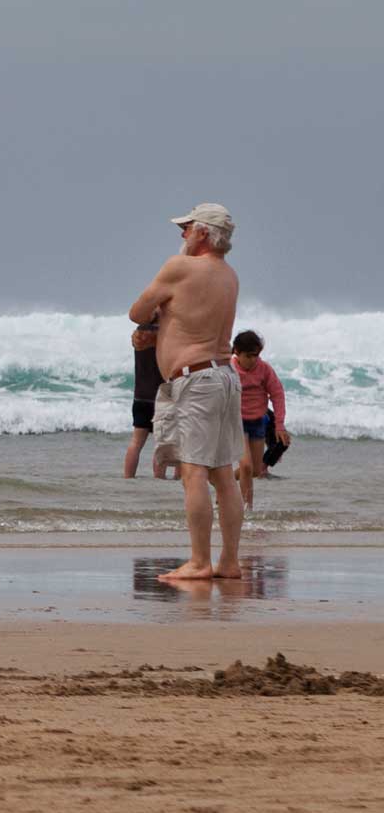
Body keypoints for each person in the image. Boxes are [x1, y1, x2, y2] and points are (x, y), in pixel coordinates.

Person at [128, 202, 244, 582]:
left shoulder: (180, 267)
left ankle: (199, 561)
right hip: (224, 377)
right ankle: (228, 561)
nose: (182, 234)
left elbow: (137, 310)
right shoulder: (229, 275)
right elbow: (189, 314)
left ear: (204, 234)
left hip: (196, 381)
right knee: (223, 474)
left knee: (193, 472)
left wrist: (155, 320)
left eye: (188, 227)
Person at [230, 329, 288, 510]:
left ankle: (225, 482)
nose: (253, 360)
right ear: (237, 353)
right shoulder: (229, 370)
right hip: (236, 422)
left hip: (258, 422)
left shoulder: (264, 369)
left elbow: (277, 394)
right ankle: (246, 510)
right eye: (249, 356)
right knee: (246, 466)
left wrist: (279, 425)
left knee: (255, 470)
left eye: (256, 355)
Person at [124, 325, 165, 478]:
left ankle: (128, 478)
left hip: (140, 396)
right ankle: (159, 480)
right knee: (161, 444)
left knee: (136, 443)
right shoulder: (162, 338)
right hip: (162, 398)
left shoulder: (139, 337)